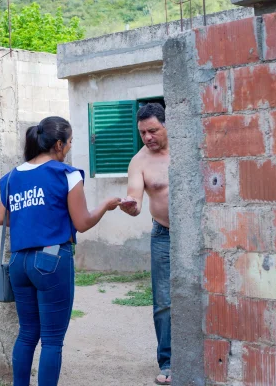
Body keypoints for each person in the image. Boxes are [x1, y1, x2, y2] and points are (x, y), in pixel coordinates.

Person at [0, 116, 121, 386]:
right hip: (51, 258)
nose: (69, 148)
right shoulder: (66, 174)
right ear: (58, 144)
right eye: (70, 142)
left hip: (18, 262)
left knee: (27, 334)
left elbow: (1, 218)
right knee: (52, 340)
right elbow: (83, 222)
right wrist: (106, 206)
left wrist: (31, 211)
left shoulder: (11, 178)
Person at [119, 103, 171, 385]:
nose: (148, 137)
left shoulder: (187, 145)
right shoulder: (139, 161)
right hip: (163, 234)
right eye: (143, 133)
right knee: (164, 301)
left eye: (153, 130)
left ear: (167, 124)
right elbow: (135, 199)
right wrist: (131, 206)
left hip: (200, 236)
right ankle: (168, 362)